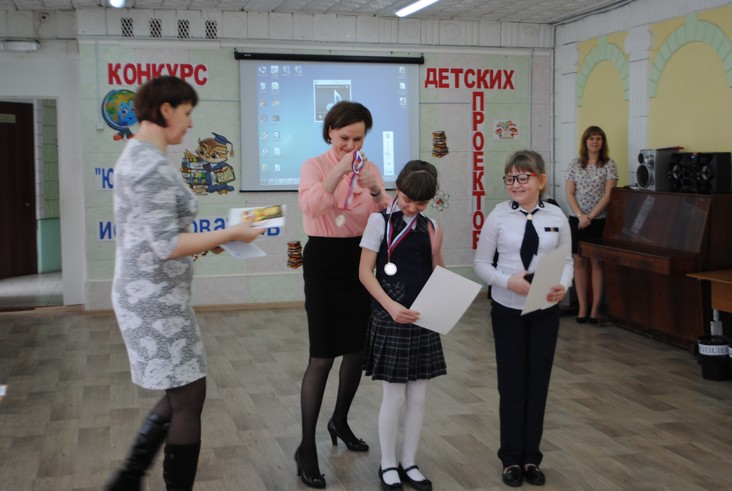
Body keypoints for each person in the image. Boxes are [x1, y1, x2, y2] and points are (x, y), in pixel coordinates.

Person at [107, 75, 264, 491]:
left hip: (157, 295)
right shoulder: (149, 164)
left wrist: (221, 239)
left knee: (182, 393)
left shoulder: (144, 156)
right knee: (189, 396)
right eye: (187, 112)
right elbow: (165, 244)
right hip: (152, 298)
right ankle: (134, 479)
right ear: (165, 110)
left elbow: (161, 237)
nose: (191, 123)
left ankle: (128, 478)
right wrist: (230, 233)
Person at [296, 101, 390, 488]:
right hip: (323, 260)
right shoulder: (313, 166)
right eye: (344, 138)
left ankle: (340, 420)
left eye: (358, 139)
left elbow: (385, 215)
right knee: (321, 356)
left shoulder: (370, 167)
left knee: (357, 350)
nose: (351, 145)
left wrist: (376, 190)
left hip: (359, 259)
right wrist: (339, 170)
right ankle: (306, 447)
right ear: (330, 132)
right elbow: (312, 206)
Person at [473, 150, 573, 488]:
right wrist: (507, 282)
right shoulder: (498, 216)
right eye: (510, 178)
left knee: (538, 383)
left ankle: (532, 457)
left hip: (545, 310)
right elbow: (481, 264)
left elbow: (567, 261)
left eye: (523, 177)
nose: (515, 184)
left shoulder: (557, 215)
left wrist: (563, 285)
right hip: (508, 310)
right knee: (512, 384)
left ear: (540, 180)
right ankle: (510, 458)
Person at [359, 160, 445, 491]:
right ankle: (388, 463)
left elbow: (438, 273)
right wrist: (391, 306)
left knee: (419, 395)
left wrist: (438, 253)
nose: (411, 207)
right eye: (407, 199)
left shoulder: (431, 225)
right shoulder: (378, 221)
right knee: (393, 396)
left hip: (422, 319)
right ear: (398, 189)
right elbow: (365, 272)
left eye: (420, 203)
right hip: (390, 316)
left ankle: (409, 461)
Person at [565, 126, 618, 324]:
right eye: (591, 138)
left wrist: (590, 217)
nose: (594, 142)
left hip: (599, 220)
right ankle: (582, 307)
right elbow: (570, 193)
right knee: (579, 262)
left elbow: (608, 195)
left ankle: (595, 309)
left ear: (602, 142)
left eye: (598, 138)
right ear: (585, 142)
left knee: (596, 262)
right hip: (577, 219)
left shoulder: (609, 164)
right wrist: (581, 216)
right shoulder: (575, 164)